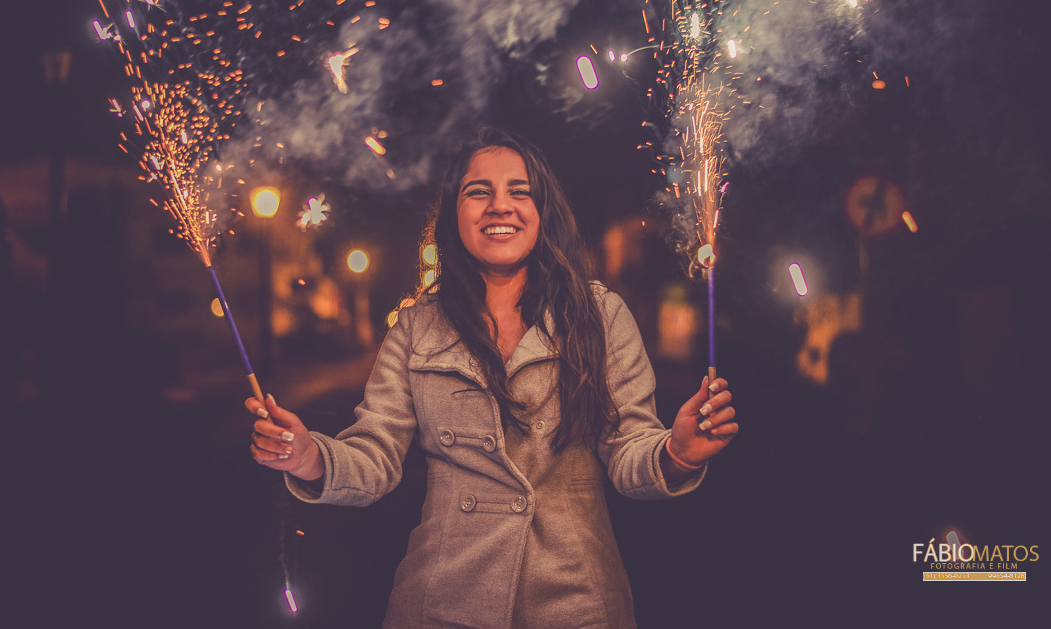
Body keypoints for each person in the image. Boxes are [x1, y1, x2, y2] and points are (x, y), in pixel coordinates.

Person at [246, 127, 738, 629]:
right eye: (478, 191)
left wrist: (675, 454)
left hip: (576, 601)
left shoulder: (601, 315)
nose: (499, 206)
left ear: (544, 210)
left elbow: (629, 450)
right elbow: (374, 457)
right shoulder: (417, 326)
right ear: (453, 213)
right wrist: (308, 457)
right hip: (442, 599)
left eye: (519, 191)